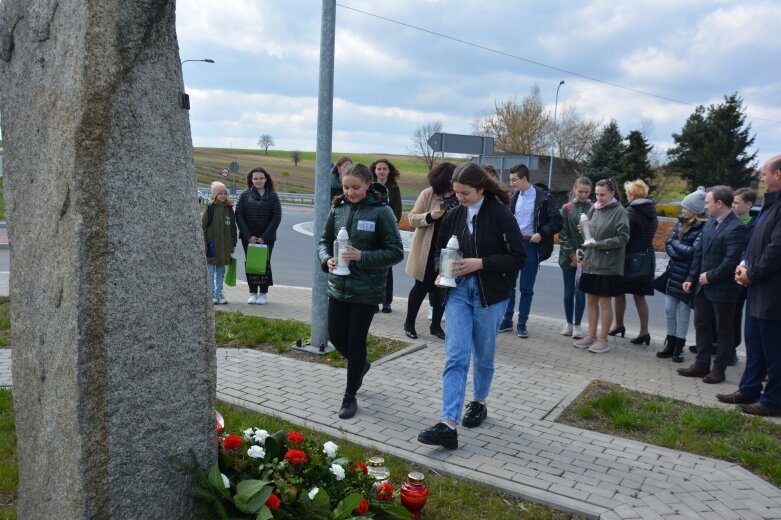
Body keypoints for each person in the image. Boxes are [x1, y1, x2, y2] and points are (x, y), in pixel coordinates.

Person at [417, 163, 524, 449]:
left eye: (464, 193)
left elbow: (518, 257)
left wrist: (481, 263)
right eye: (456, 193)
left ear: (480, 189)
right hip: (459, 293)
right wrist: (442, 271)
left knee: (484, 355)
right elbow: (441, 248)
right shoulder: (453, 216)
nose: (459, 198)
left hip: (490, 295)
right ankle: (448, 424)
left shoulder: (501, 215)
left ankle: (478, 401)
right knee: (455, 356)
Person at [318, 163, 404, 419]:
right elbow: (324, 241)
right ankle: (361, 365)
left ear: (368, 185)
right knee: (335, 337)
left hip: (366, 290)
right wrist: (327, 260)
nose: (350, 192)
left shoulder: (382, 212)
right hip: (338, 287)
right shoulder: (338, 208)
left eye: (355, 187)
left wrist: (362, 256)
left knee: (356, 341)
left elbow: (396, 252)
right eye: (346, 187)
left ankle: (350, 396)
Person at [720, 155, 781, 416]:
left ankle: (773, 401)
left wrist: (752, 274)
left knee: (774, 351)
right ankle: (749, 389)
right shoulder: (770, 204)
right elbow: (754, 239)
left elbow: (776, 249)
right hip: (757, 287)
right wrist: (743, 264)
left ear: (778, 175)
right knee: (753, 344)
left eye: (765, 173)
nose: (761, 177)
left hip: (773, 293)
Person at [678, 186, 747, 384]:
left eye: (708, 202)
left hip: (723, 289)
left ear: (719, 203)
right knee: (701, 325)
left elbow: (732, 260)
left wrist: (711, 276)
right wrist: (691, 278)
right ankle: (701, 364)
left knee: (724, 330)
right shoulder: (709, 224)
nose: (705, 206)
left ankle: (719, 369)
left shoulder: (737, 227)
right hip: (702, 287)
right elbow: (699, 254)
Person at [499, 163, 562, 338]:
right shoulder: (513, 196)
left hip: (531, 245)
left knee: (526, 288)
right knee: (509, 285)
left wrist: (542, 233)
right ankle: (506, 320)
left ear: (524, 178)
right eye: (510, 180)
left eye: (514, 180)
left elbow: (557, 221)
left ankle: (522, 323)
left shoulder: (543, 197)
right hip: (513, 244)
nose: (512, 184)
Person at [573, 178, 630, 354]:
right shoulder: (594, 208)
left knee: (605, 302)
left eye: (602, 194)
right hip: (591, 262)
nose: (599, 198)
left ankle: (603, 339)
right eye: (596, 194)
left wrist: (600, 243)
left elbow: (623, 237)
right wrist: (583, 229)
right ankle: (591, 335)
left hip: (608, 264)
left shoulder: (620, 211)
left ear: (613, 193)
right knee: (591, 300)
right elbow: (589, 230)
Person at [403, 162, 458, 340]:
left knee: (442, 288)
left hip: (449, 249)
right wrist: (429, 216)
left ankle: (436, 326)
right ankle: (409, 323)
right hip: (427, 250)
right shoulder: (428, 194)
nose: (453, 183)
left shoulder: (459, 196)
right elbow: (412, 218)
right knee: (420, 288)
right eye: (451, 179)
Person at [655, 187, 707, 362]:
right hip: (673, 273)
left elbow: (693, 251)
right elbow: (668, 244)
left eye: (686, 207)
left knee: (683, 312)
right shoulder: (679, 223)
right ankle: (669, 343)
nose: (682, 210)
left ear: (695, 210)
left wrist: (676, 245)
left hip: (687, 276)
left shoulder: (702, 227)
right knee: (669, 310)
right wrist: (677, 246)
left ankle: (679, 347)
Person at [610, 180, 658, 345]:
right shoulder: (651, 210)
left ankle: (619, 324)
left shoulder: (631, 210)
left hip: (629, 257)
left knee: (619, 292)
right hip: (646, 256)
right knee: (640, 296)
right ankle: (644, 331)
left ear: (632, 194)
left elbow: (624, 234)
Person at [236, 167, 282, 305]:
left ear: (266, 179)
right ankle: (252, 293)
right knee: (251, 265)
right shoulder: (245, 196)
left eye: (261, 178)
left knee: (264, 264)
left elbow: (276, 217)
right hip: (248, 238)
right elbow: (239, 215)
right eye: (255, 178)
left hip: (267, 239)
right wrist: (248, 236)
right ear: (251, 180)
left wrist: (264, 237)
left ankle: (263, 293)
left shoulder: (273, 196)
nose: (258, 181)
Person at [557, 176, 592, 339]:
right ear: (574, 190)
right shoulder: (567, 208)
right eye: (580, 191)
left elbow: (594, 233)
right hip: (567, 256)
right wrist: (571, 254)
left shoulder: (593, 208)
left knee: (580, 291)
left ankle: (578, 325)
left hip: (586, 256)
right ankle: (568, 323)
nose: (583, 195)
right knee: (568, 291)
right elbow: (562, 233)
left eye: (586, 192)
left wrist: (581, 256)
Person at [729, 187, 757, 364]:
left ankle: (731, 348)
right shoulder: (730, 222)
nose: (733, 206)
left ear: (749, 205)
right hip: (727, 273)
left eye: (736, 203)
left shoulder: (753, 225)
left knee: (735, 314)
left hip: (741, 274)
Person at [370, 158, 402, 313]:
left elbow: (397, 211)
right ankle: (373, 301)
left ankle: (387, 301)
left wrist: (391, 226)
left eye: (384, 169)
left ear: (389, 171)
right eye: (379, 169)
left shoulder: (394, 188)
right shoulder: (369, 187)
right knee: (373, 267)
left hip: (387, 231)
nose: (381, 171)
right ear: (375, 171)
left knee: (387, 268)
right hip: (372, 231)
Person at [202, 181, 237, 304]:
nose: (223, 195)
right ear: (215, 195)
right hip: (212, 247)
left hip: (225, 247)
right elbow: (203, 228)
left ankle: (219, 293)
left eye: (225, 193)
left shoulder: (229, 209)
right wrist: (204, 245)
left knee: (221, 272)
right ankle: (211, 294)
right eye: (220, 193)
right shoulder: (210, 208)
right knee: (211, 273)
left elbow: (233, 227)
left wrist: (233, 244)